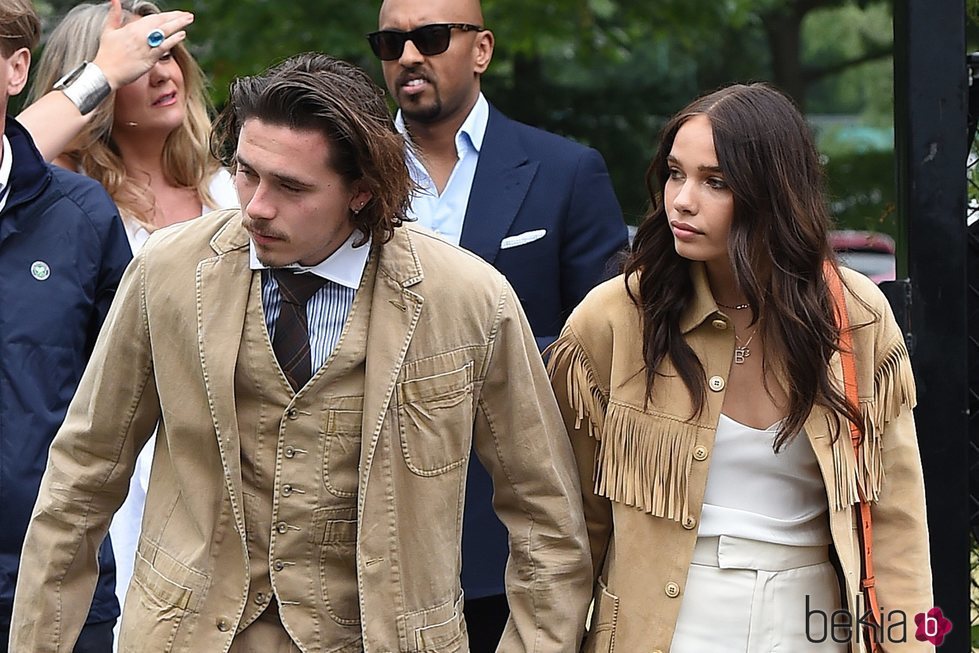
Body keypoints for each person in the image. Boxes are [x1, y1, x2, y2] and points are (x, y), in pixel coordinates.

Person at [9, 52, 591, 653]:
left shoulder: (468, 299)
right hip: (190, 634)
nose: (256, 205)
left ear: (362, 192)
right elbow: (80, 479)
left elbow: (544, 515)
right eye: (245, 172)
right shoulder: (168, 271)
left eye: (291, 187)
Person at [546, 83, 933, 652]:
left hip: (814, 621)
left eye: (715, 182)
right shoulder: (615, 319)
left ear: (772, 193)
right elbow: (571, 532)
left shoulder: (855, 316)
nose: (682, 199)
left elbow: (899, 525)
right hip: (661, 624)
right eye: (676, 173)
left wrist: (914, 643)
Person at [370, 0, 627, 644]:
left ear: (481, 50)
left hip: (509, 530)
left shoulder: (566, 172)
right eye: (390, 42)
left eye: (429, 38)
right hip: (364, 522)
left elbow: (603, 351)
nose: (408, 57)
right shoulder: (347, 171)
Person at [22, 0, 237, 615]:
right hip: (121, 467)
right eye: (142, 63)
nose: (164, 73)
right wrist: (103, 73)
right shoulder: (60, 208)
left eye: (168, 53)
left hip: (230, 459)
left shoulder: (234, 189)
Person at [0, 1, 132, 650]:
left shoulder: (82, 216)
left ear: (16, 68)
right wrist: (103, 70)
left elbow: (135, 398)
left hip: (58, 587)